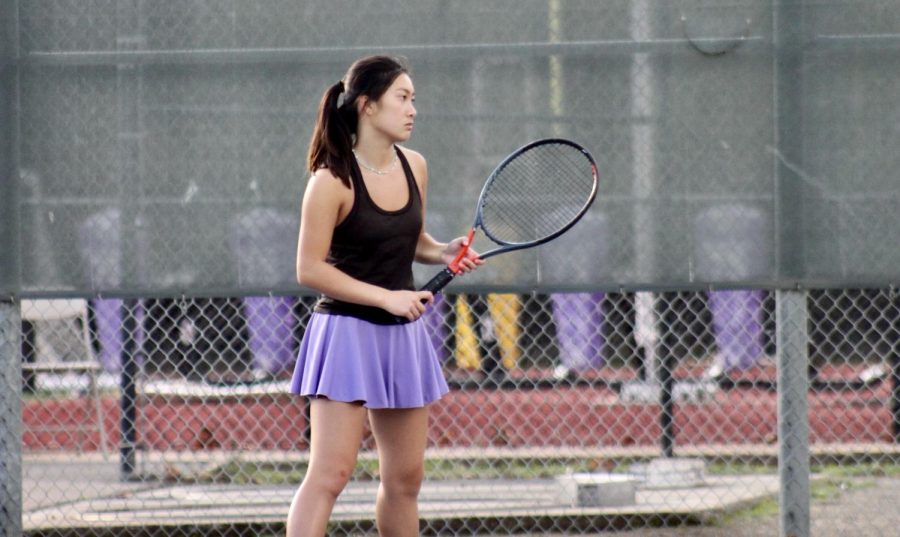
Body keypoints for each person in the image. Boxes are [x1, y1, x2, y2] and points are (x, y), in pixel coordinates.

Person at [287, 55, 481, 537]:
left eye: (414, 98)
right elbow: (309, 269)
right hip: (346, 335)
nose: (413, 108)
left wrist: (442, 251)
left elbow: (408, 239)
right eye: (403, 97)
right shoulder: (330, 181)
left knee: (405, 479)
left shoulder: (415, 166)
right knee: (330, 475)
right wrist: (384, 298)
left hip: (401, 336)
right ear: (368, 107)